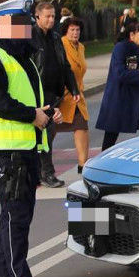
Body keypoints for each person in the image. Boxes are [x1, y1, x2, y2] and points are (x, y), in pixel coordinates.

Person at [0, 0, 60, 277]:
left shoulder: (23, 60)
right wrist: (31, 115)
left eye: (26, 24)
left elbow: (29, 101)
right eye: (19, 25)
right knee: (16, 215)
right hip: (3, 149)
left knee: (14, 214)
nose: (26, 31)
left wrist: (47, 113)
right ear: (3, 28)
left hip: (25, 147)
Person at [31, 0, 80, 188]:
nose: (52, 20)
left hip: (52, 93)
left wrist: (73, 87)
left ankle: (43, 173)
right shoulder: (30, 38)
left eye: (53, 16)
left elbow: (65, 65)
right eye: (48, 16)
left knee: (47, 135)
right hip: (37, 94)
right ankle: (44, 173)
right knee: (43, 134)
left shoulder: (55, 37)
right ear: (37, 17)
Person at [96, 22, 139, 150]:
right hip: (119, 98)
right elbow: (119, 74)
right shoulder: (120, 48)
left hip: (136, 99)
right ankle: (102, 164)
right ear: (132, 35)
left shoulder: (137, 50)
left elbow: (137, 70)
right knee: (110, 137)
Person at [57, 15, 91, 172]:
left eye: (77, 30)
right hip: (62, 94)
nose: (75, 33)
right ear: (66, 31)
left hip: (77, 95)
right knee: (50, 131)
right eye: (72, 30)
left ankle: (83, 163)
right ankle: (43, 166)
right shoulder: (60, 44)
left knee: (82, 127)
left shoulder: (81, 47)